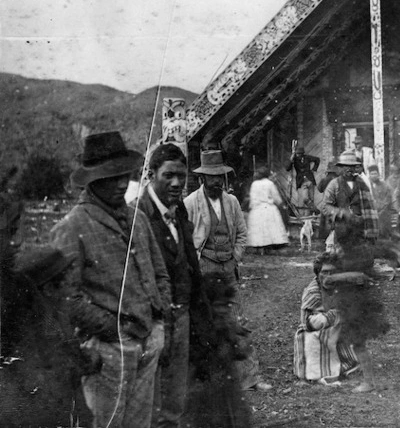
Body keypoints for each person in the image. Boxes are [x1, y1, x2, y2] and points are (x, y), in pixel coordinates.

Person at [50, 131, 171, 427]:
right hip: (107, 350)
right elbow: (66, 297)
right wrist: (112, 330)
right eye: (110, 177)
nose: (121, 184)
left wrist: (159, 319)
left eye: (125, 176)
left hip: (148, 339)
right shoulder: (71, 226)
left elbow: (160, 271)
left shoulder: (138, 219)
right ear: (91, 181)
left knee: (140, 423)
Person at [184, 150, 272, 392]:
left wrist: (235, 258)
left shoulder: (231, 202)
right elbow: (185, 240)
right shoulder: (191, 203)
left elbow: (242, 235)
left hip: (228, 268)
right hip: (205, 268)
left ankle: (250, 378)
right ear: (202, 178)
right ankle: (210, 379)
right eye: (211, 177)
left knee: (238, 321)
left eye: (220, 177)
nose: (216, 182)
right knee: (205, 322)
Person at [134, 143, 209, 427]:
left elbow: (189, 266)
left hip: (182, 315)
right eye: (168, 176)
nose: (177, 182)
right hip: (152, 320)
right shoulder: (137, 214)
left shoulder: (180, 211)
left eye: (182, 175)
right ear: (151, 174)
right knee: (149, 399)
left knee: (175, 399)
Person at [321, 151, 387, 392]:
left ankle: (365, 375)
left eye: (352, 167)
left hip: (358, 242)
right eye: (345, 167)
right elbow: (325, 206)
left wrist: (368, 237)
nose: (349, 170)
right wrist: (342, 214)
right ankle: (350, 364)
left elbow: (371, 212)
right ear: (339, 168)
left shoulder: (362, 184)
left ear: (357, 167)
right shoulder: (333, 186)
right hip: (341, 234)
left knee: (356, 309)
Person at [293, 257, 360, 384]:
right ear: (318, 274)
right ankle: (319, 372)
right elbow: (306, 321)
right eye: (324, 272)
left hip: (336, 325)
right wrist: (330, 317)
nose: (329, 277)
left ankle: (345, 363)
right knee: (313, 339)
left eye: (332, 272)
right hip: (314, 330)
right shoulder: (313, 292)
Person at [246, 166, 289, 253]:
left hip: (256, 209)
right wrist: (281, 204)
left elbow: (252, 198)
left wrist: (252, 207)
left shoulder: (254, 184)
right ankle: (269, 246)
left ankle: (259, 247)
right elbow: (276, 197)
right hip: (268, 208)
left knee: (259, 229)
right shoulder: (269, 183)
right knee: (271, 229)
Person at [286, 146, 320, 211]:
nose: (298, 155)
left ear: (302, 154)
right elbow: (287, 168)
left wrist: (314, 169)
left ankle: (310, 217)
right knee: (305, 199)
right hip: (301, 182)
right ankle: (316, 210)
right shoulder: (294, 159)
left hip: (310, 180)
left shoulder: (307, 157)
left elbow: (317, 159)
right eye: (297, 154)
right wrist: (291, 158)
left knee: (311, 200)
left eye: (299, 154)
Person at [367, 164, 394, 239]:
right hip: (371, 215)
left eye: (375, 173)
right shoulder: (367, 186)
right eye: (372, 174)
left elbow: (388, 200)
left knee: (384, 235)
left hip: (383, 215)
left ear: (378, 174)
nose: (374, 175)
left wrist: (381, 211)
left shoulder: (385, 185)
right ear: (369, 175)